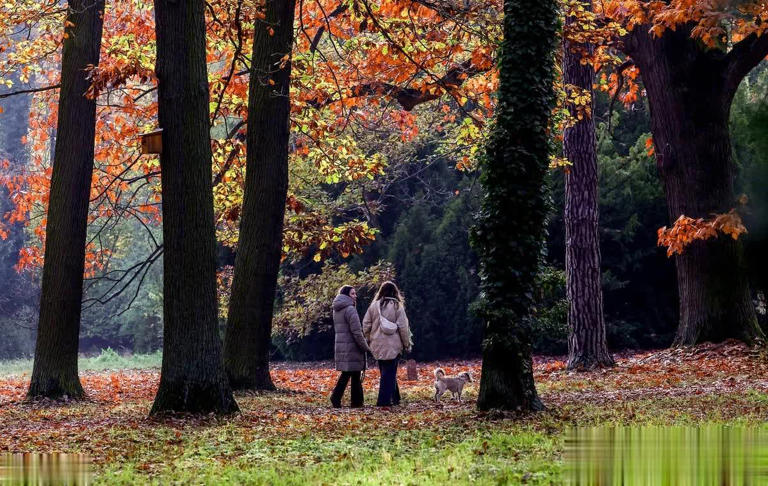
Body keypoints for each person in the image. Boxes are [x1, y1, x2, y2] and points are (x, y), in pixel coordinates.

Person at [363, 281, 412, 407]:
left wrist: (369, 338)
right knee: (389, 374)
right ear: (395, 292)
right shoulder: (397, 306)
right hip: (393, 345)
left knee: (386, 372)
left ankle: (396, 398)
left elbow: (366, 324)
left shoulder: (374, 306)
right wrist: (406, 344)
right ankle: (383, 401)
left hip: (377, 345)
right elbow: (403, 328)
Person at [330, 285, 372, 408]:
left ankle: (352, 401)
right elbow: (357, 332)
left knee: (350, 373)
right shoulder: (350, 309)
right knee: (352, 374)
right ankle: (346, 399)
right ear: (346, 295)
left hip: (342, 345)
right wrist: (365, 347)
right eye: (353, 293)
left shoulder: (337, 309)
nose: (355, 296)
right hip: (352, 346)